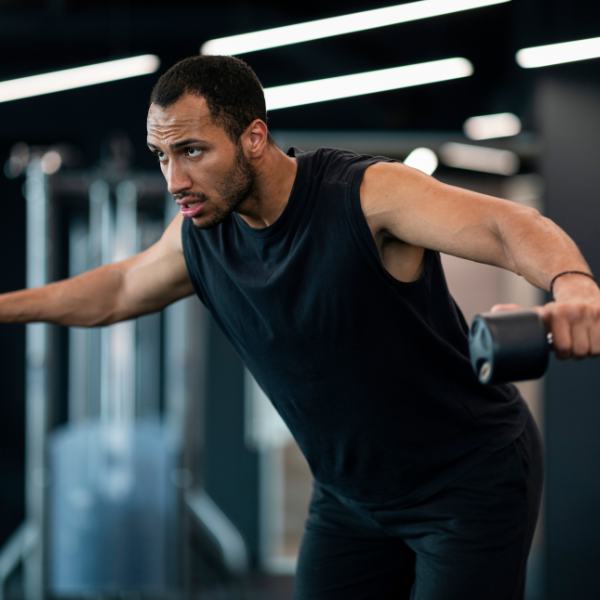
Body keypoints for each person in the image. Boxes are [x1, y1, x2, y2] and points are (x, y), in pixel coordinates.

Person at [2, 55, 600, 599]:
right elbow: (118, 288)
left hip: (465, 483)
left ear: (253, 137)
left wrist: (573, 284)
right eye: (162, 157)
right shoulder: (201, 236)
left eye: (191, 151)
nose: (173, 180)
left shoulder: (366, 195)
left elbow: (506, 226)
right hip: (348, 498)